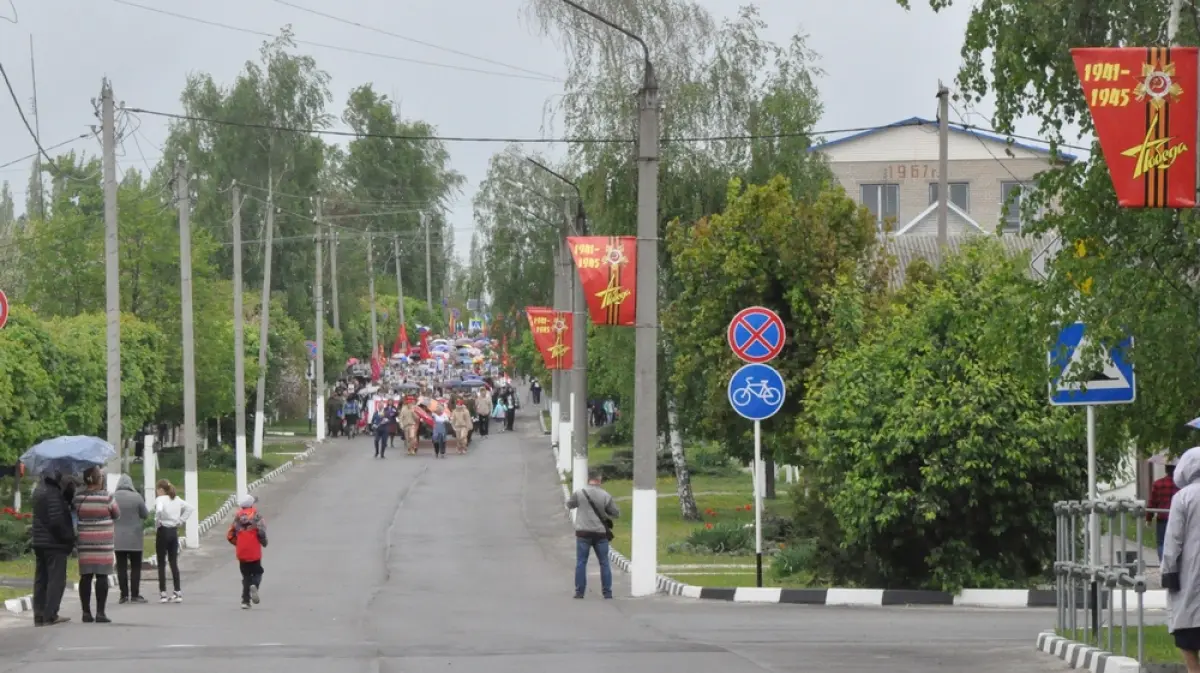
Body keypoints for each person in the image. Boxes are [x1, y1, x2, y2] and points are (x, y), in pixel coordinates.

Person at [1163, 446, 1200, 671]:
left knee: (1187, 634)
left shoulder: (1183, 497)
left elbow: (1173, 539)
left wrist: (1169, 571)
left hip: (1190, 573)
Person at [74, 466, 120, 623]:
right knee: (102, 576)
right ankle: (100, 612)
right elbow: (116, 514)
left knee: (85, 577)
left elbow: (75, 512)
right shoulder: (108, 497)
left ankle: (86, 612)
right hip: (103, 543)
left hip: (85, 543)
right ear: (99, 479)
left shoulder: (79, 498)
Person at [30, 470, 75, 626]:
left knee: (41, 579)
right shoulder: (52, 493)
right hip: (54, 543)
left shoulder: (39, 489)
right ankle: (51, 614)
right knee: (56, 579)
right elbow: (57, 521)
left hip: (40, 541)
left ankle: (39, 614)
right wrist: (68, 538)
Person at [566, 470, 619, 599]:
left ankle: (579, 592)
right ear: (599, 480)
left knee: (581, 562)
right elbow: (615, 513)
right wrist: (605, 514)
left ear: (588, 479)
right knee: (604, 562)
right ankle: (607, 593)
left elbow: (569, 504)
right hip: (600, 534)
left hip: (583, 533)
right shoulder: (605, 495)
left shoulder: (579, 493)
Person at [154, 479, 194, 604]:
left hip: (163, 530)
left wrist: (157, 522)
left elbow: (159, 511)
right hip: (174, 532)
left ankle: (163, 593)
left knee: (161, 563)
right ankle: (177, 591)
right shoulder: (177, 499)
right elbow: (190, 508)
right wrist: (180, 521)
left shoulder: (160, 499)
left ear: (161, 489)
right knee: (173, 562)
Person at [112, 474, 149, 604]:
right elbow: (145, 514)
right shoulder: (137, 496)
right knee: (135, 567)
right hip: (135, 537)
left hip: (118, 537)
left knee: (121, 567)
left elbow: (110, 514)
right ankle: (135, 594)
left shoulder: (113, 497)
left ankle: (123, 595)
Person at [226, 495, 268, 610]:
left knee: (245, 576)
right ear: (251, 504)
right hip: (254, 550)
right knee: (258, 572)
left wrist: (238, 543)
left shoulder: (237, 517)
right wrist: (264, 542)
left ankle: (245, 601)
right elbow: (261, 531)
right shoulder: (257, 515)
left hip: (242, 551)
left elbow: (230, 534)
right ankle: (254, 585)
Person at [1151, 462, 1181, 562]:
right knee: (1177, 542)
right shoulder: (1181, 485)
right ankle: (1175, 564)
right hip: (1177, 517)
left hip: (1162, 518)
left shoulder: (1158, 484)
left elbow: (1152, 502)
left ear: (1166, 470)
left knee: (1161, 543)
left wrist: (1148, 518)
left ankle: (1163, 564)